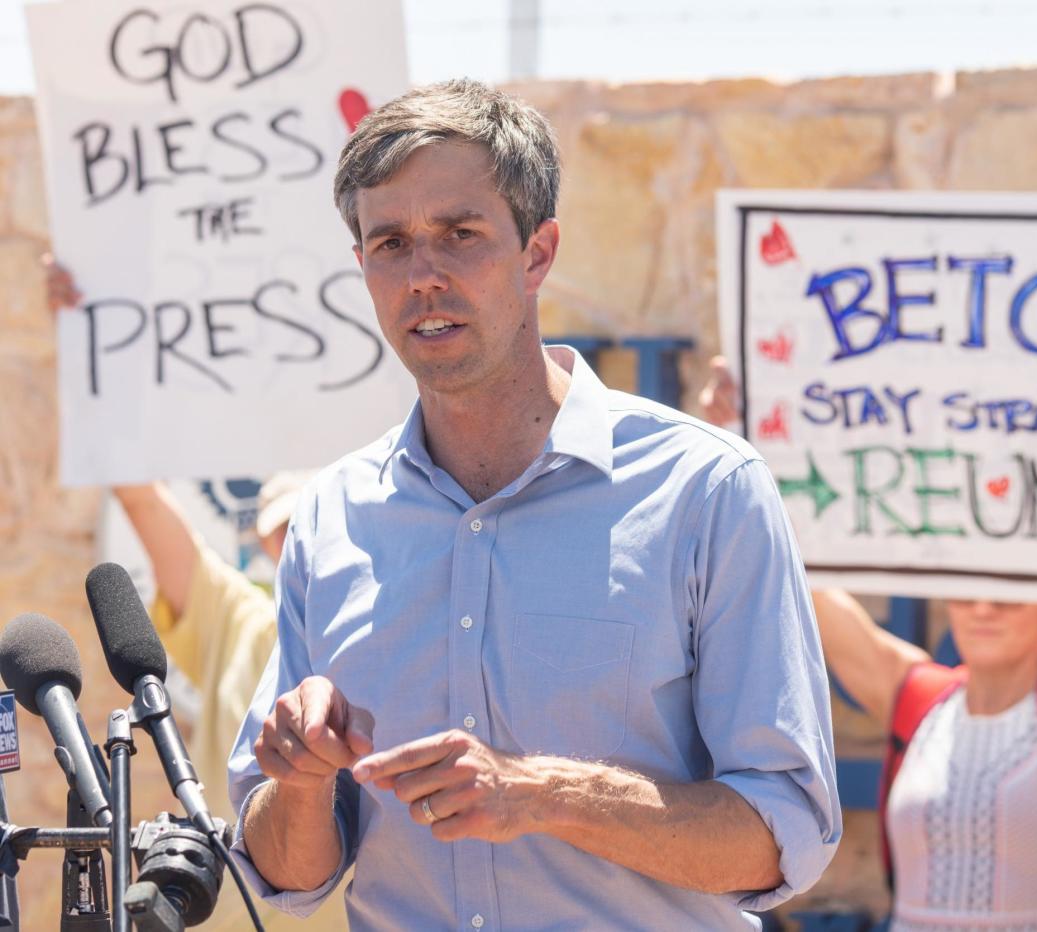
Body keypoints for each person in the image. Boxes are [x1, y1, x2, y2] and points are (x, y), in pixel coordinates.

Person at [225, 79, 841, 931]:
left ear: (537, 253)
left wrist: (540, 794)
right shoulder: (332, 516)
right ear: (362, 267)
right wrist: (297, 782)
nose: (424, 276)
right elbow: (285, 876)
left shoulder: (706, 491)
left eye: (460, 235)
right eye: (391, 243)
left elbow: (784, 838)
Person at [699, 356, 1037, 930]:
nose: (983, 608)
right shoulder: (916, 696)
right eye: (967, 588)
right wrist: (743, 439)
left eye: (1008, 594)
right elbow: (803, 576)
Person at [47, 258, 349, 929]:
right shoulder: (237, 619)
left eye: (319, 522)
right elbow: (142, 499)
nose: (303, 541)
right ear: (268, 543)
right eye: (287, 527)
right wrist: (87, 345)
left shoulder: (400, 616)